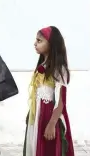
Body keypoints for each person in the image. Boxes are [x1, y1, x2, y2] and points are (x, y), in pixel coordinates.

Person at [23, 26, 74, 156]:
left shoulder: (59, 69)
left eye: (39, 41)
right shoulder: (42, 65)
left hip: (49, 115)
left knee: (49, 149)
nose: (35, 43)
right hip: (39, 113)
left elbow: (61, 101)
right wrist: (32, 114)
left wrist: (52, 124)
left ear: (51, 44)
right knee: (35, 146)